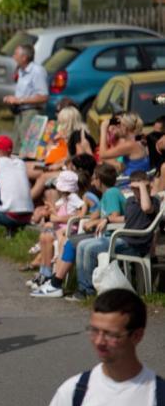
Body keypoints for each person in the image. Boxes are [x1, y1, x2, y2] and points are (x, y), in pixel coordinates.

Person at [39, 289, 164, 406]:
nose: (99, 341)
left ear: (137, 336)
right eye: (94, 330)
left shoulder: (159, 398)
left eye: (110, 334)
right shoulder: (73, 393)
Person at [73, 170, 159, 300]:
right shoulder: (130, 201)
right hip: (124, 240)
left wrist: (142, 186)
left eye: (141, 188)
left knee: (91, 249)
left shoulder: (153, 202)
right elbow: (125, 218)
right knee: (82, 245)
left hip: (135, 244)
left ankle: (88, 291)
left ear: (148, 187)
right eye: (134, 188)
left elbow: (146, 208)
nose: (137, 191)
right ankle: (83, 289)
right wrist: (106, 219)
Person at [29, 170, 85, 292]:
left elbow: (81, 210)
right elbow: (55, 211)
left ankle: (49, 274)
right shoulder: (63, 200)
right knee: (44, 236)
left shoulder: (73, 198)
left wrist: (57, 217)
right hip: (60, 228)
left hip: (67, 229)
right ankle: (44, 271)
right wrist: (49, 210)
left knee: (49, 237)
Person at [3, 43, 48, 151]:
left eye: (16, 54)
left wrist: (19, 100)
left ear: (24, 57)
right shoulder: (21, 70)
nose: (13, 56)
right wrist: (12, 99)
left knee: (28, 147)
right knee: (16, 145)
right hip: (20, 112)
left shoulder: (37, 71)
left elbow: (44, 96)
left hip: (31, 112)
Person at [99, 112, 149, 177]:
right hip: (137, 176)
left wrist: (103, 128)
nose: (115, 128)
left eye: (118, 126)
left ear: (125, 128)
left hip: (130, 181)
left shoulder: (130, 145)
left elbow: (103, 155)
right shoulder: (138, 139)